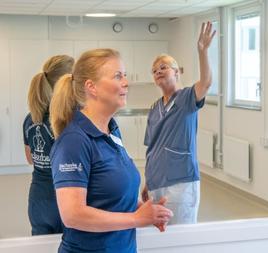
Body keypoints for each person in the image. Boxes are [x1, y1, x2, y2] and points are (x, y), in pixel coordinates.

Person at [49, 48, 173, 253]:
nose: (126, 82)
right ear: (92, 87)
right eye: (117, 76)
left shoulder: (111, 130)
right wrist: (136, 218)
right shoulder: (74, 141)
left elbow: (109, 193)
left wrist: (140, 208)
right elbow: (73, 215)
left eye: (124, 75)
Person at [141, 22, 216, 225]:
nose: (158, 72)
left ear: (177, 72)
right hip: (156, 181)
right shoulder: (155, 107)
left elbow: (206, 82)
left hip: (180, 182)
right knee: (160, 234)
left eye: (163, 67)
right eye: (154, 70)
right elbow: (152, 148)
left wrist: (203, 51)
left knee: (181, 237)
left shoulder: (185, 99)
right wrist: (147, 181)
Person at [23, 55, 74, 235]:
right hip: (63, 197)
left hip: (38, 199)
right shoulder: (65, 119)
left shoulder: (30, 118)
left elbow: (30, 158)